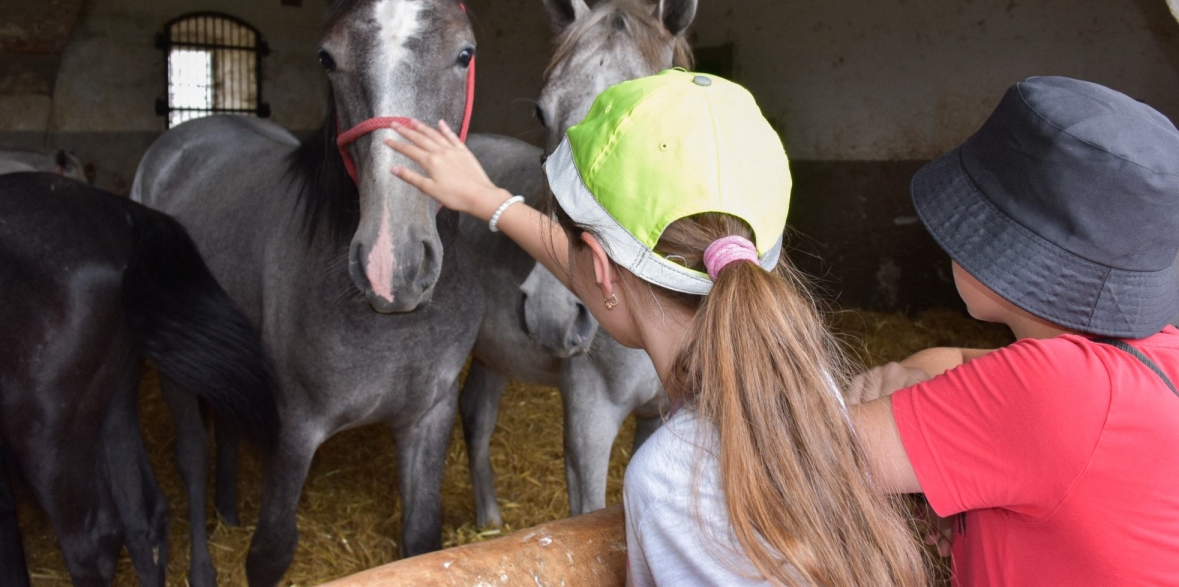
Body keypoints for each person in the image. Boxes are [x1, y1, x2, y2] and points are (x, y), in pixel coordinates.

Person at [387, 69, 928, 587]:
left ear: (599, 270)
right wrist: (493, 202)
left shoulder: (670, 482)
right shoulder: (811, 393)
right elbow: (602, 270)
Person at [850, 76, 1179, 586]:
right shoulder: (1151, 351)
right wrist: (920, 390)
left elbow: (806, 461)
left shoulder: (1053, 388)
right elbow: (950, 360)